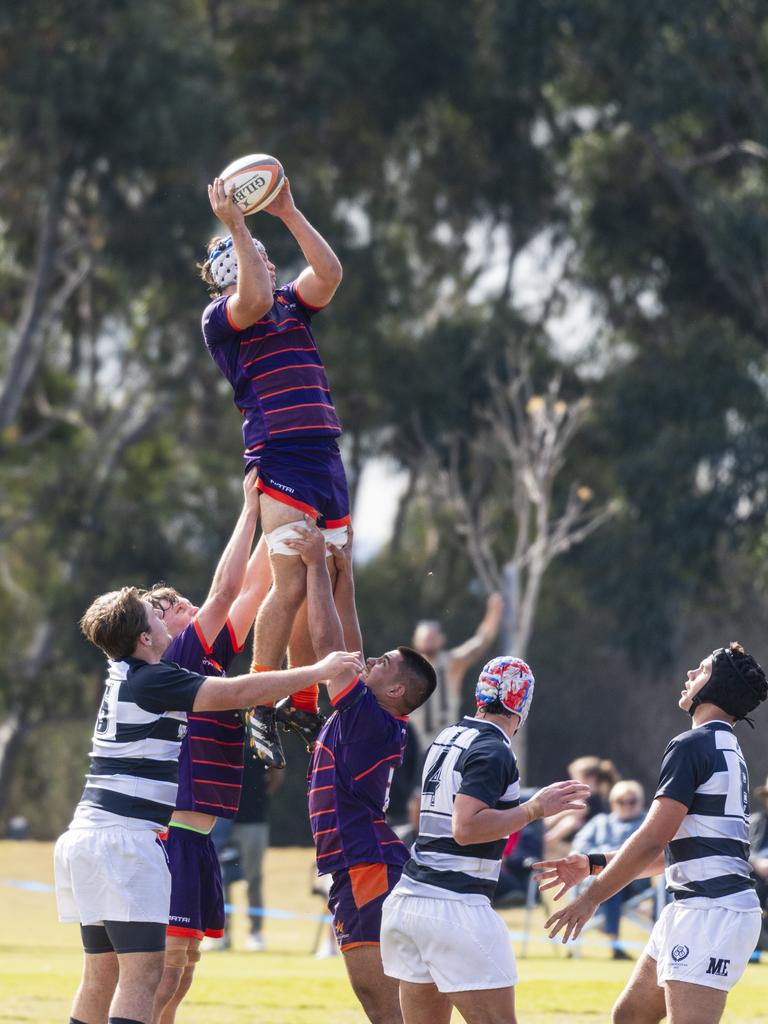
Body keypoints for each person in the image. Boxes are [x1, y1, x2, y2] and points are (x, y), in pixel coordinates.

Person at [54, 585, 360, 1024]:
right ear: (144, 637)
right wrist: (318, 670)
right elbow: (237, 689)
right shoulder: (155, 678)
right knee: (143, 979)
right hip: (125, 838)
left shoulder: (121, 672)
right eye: (155, 616)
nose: (165, 621)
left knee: (102, 979)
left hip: (88, 835)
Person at [537, 641, 768, 1024]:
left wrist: (591, 897)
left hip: (710, 912)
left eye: (702, 670)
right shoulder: (727, 747)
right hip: (697, 909)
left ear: (716, 688)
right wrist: (593, 864)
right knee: (629, 1016)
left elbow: (651, 840)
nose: (691, 675)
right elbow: (671, 852)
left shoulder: (692, 745)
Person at [201, 174, 347, 770]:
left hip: (324, 453)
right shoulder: (224, 316)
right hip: (279, 455)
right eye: (246, 252)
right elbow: (254, 298)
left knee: (330, 577)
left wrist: (287, 211)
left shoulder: (290, 300)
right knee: (289, 580)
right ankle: (264, 695)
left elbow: (330, 274)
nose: (260, 254)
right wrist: (236, 224)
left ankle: (305, 700)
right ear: (226, 270)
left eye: (259, 248)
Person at [379, 656, 591, 1024]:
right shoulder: (494, 750)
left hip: (409, 902)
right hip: (455, 907)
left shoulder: (447, 737)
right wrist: (536, 808)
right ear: (523, 704)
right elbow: (467, 828)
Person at [284, 519, 437, 1024]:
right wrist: (342, 573)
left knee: (379, 998)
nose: (370, 660)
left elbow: (332, 649)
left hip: (365, 863)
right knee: (382, 997)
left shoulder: (371, 718)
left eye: (385, 663)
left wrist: (313, 568)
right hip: (360, 861)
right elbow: (349, 641)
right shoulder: (373, 713)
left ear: (396, 691)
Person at [408, 593, 504, 753]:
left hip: (448, 744)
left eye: (433, 636)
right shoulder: (407, 669)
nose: (429, 639)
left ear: (441, 639)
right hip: (415, 747)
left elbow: (481, 641)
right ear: (415, 641)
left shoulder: (451, 664)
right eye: (425, 636)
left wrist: (493, 614)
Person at [571, 779, 649, 959]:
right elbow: (579, 846)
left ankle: (614, 943)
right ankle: (612, 943)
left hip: (636, 882)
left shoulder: (648, 824)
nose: (627, 806)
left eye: (632, 801)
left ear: (641, 802)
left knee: (615, 879)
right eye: (621, 802)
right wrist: (604, 856)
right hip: (596, 878)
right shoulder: (599, 822)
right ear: (613, 803)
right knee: (609, 878)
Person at [748, 774, 768, 952]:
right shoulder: (755, 822)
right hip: (757, 879)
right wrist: (757, 863)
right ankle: (753, 948)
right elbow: (741, 852)